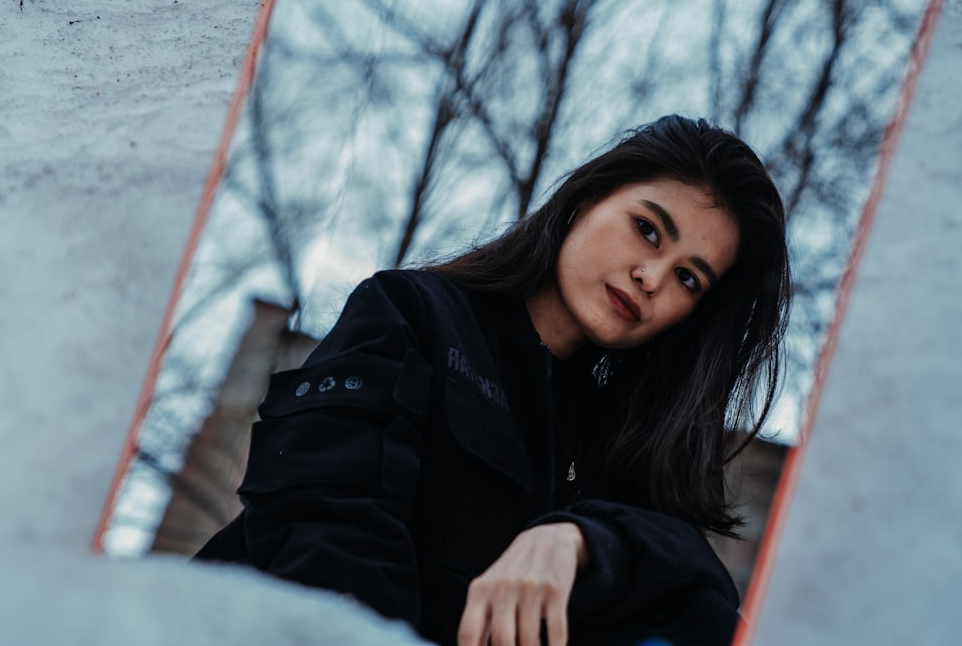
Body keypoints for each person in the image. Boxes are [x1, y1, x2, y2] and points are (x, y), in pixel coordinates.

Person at [195, 115, 791, 646]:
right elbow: (328, 529)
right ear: (586, 201)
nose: (652, 276)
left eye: (689, 279)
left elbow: (701, 593)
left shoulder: (614, 444)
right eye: (648, 230)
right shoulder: (414, 314)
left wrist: (579, 541)